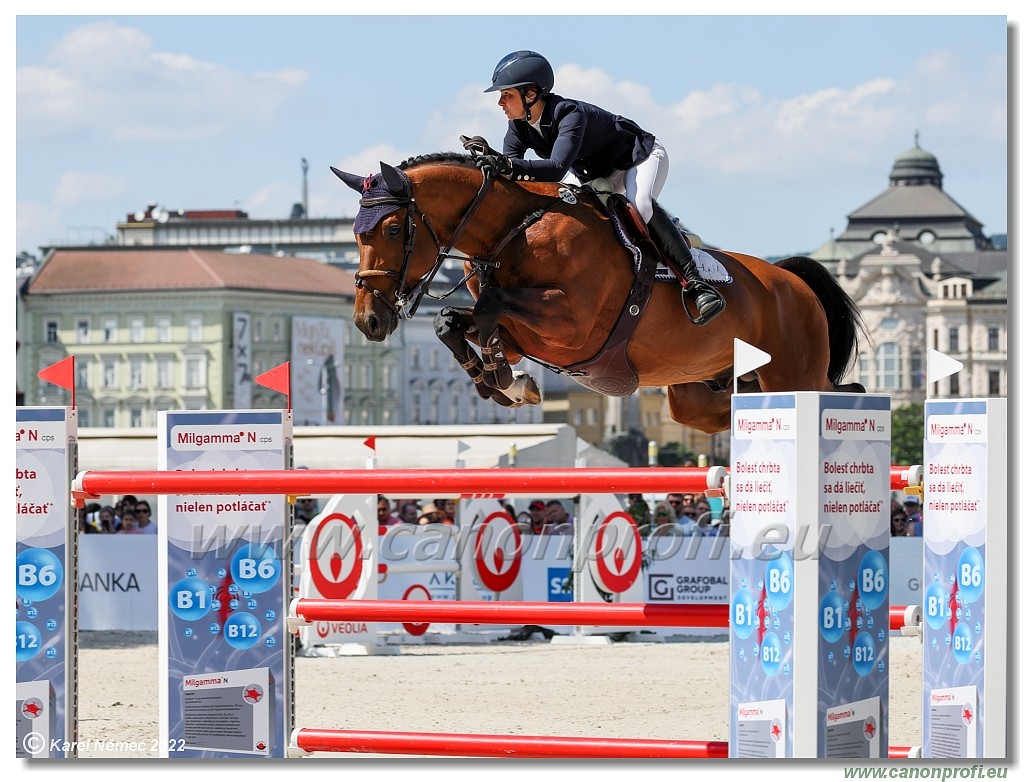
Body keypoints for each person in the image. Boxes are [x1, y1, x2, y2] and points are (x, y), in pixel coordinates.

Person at [479, 50, 724, 324]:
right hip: (594, 174)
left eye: (507, 95)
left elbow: (556, 167)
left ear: (531, 94)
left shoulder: (568, 113)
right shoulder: (518, 126)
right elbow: (513, 170)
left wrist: (506, 165)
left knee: (640, 205)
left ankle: (697, 285)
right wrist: (492, 162)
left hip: (636, 159)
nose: (500, 102)